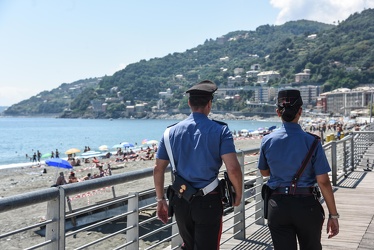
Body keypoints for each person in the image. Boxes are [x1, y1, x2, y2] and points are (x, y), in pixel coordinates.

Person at [153, 80, 243, 250]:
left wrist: (160, 200)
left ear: (189, 103)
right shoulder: (220, 130)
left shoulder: (169, 132)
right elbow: (232, 168)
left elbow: (158, 168)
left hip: (180, 199)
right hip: (208, 200)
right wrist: (237, 194)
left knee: (188, 246)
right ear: (209, 104)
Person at [257, 89, 339, 250]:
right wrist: (333, 215)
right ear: (300, 111)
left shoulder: (267, 140)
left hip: (278, 205)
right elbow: (323, 181)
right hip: (307, 205)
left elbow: (264, 172)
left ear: (277, 112)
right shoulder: (312, 142)